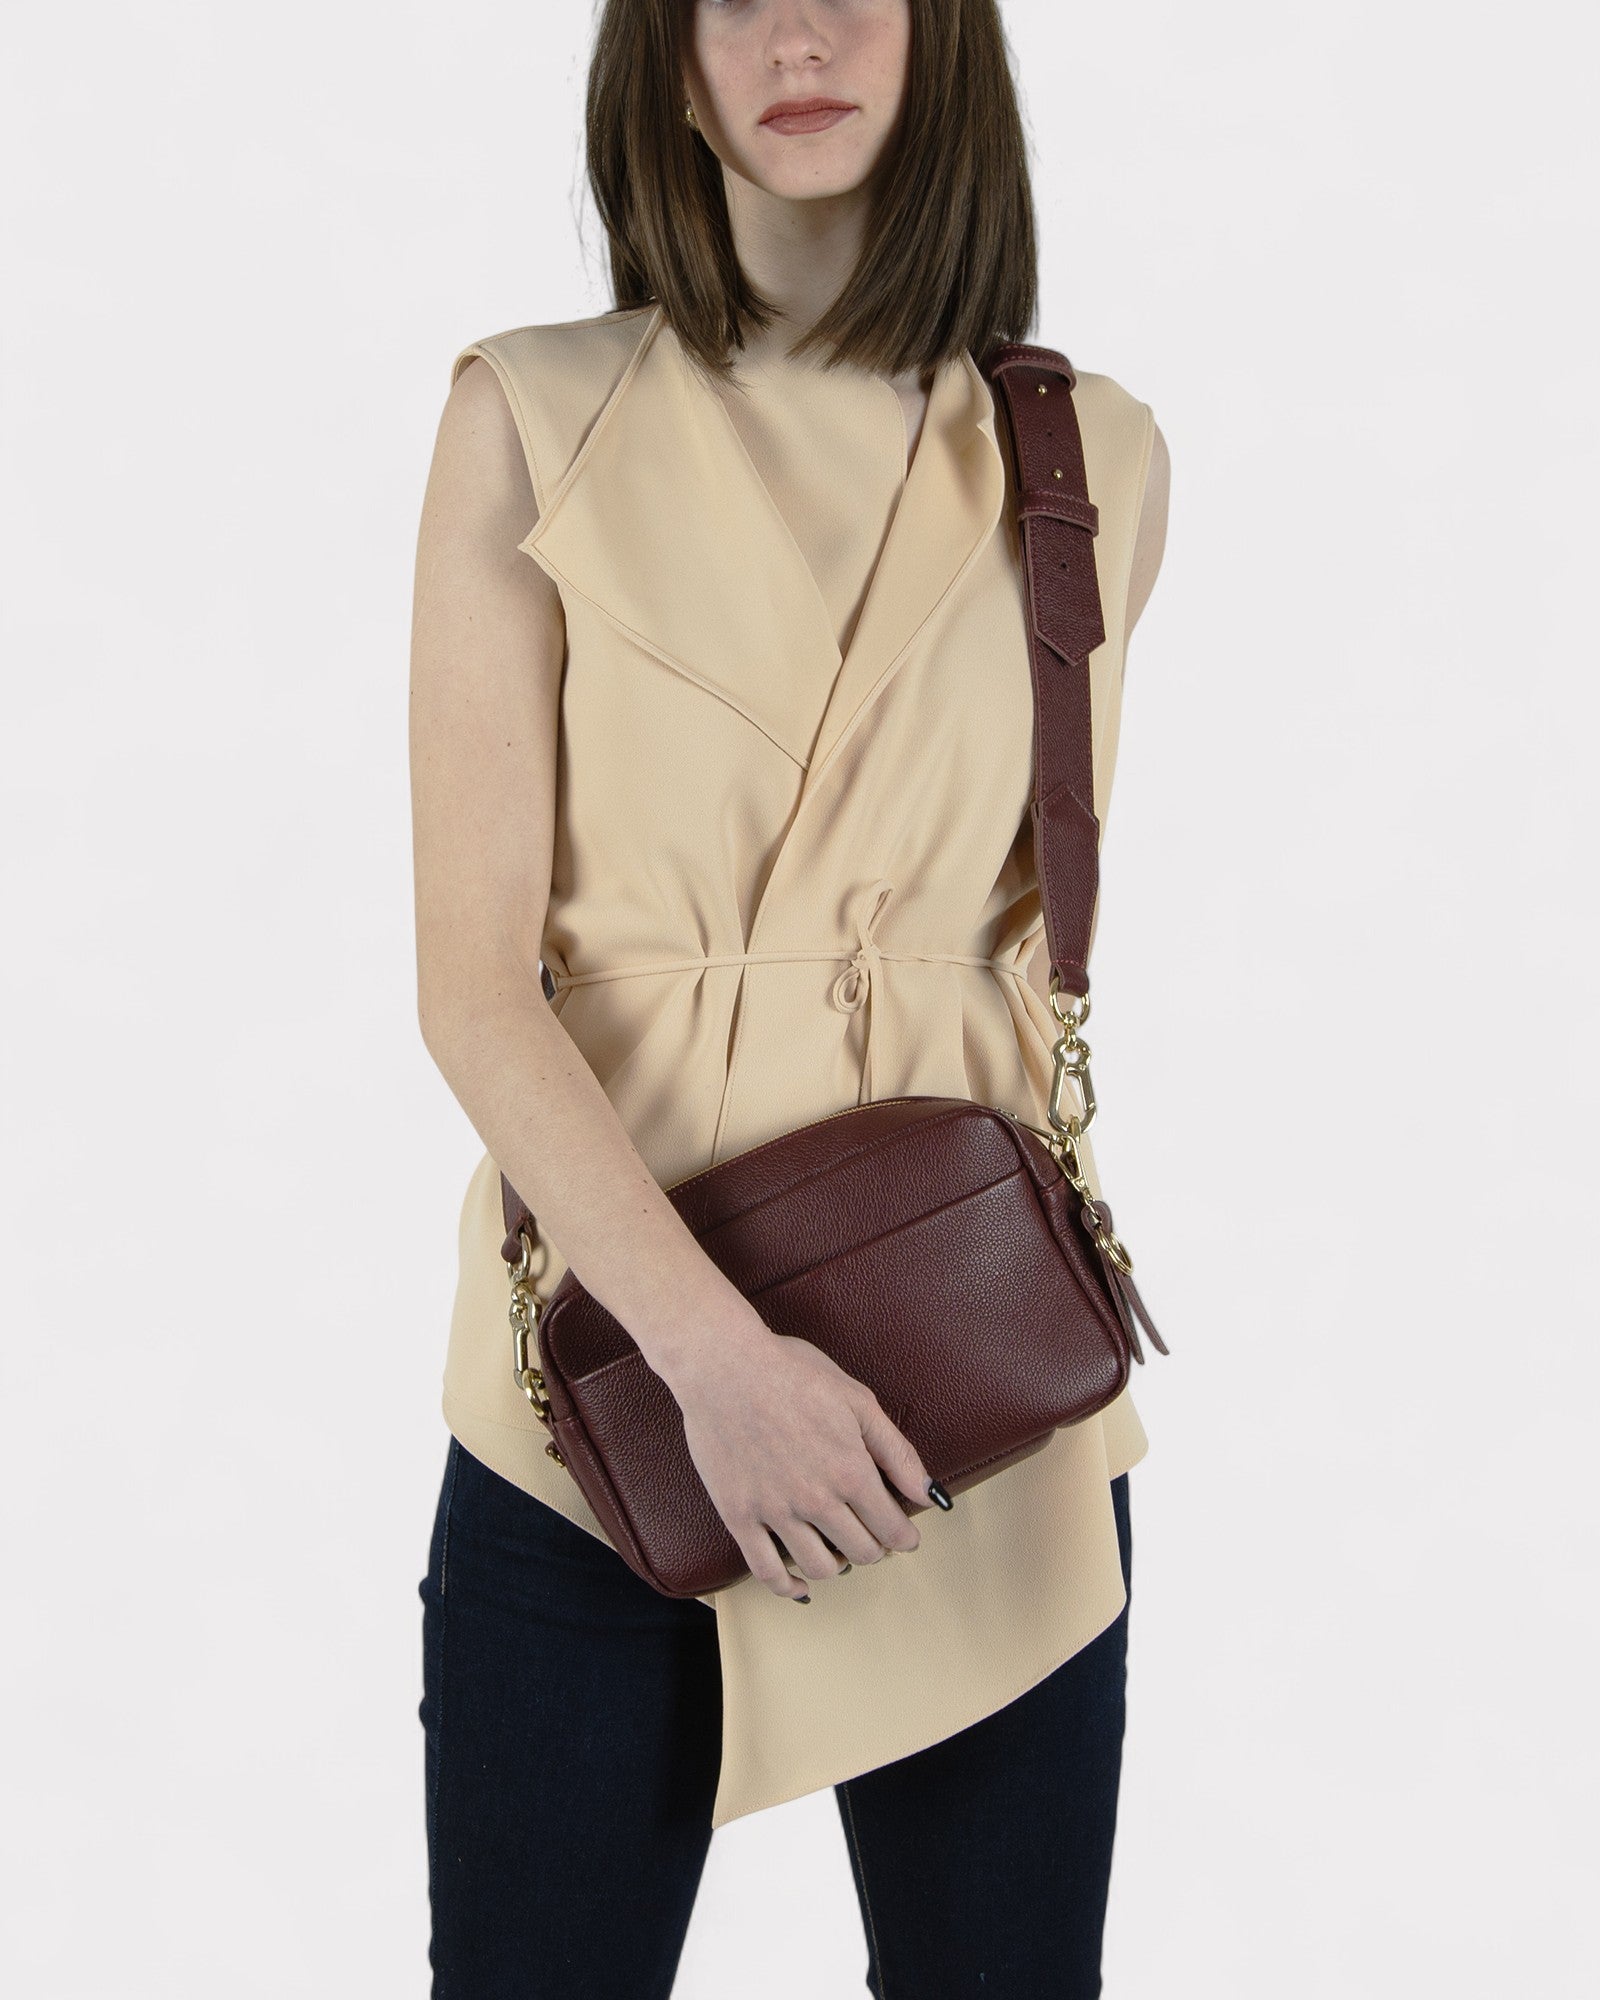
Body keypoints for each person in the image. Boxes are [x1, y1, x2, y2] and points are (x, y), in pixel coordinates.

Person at [409, 1, 1170, 1992]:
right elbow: (474, 986)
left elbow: (1014, 943)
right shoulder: (528, 412)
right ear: (665, 57)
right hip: (602, 1395)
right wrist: (717, 1367)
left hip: (976, 1392)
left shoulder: (1088, 452)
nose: (800, 31)